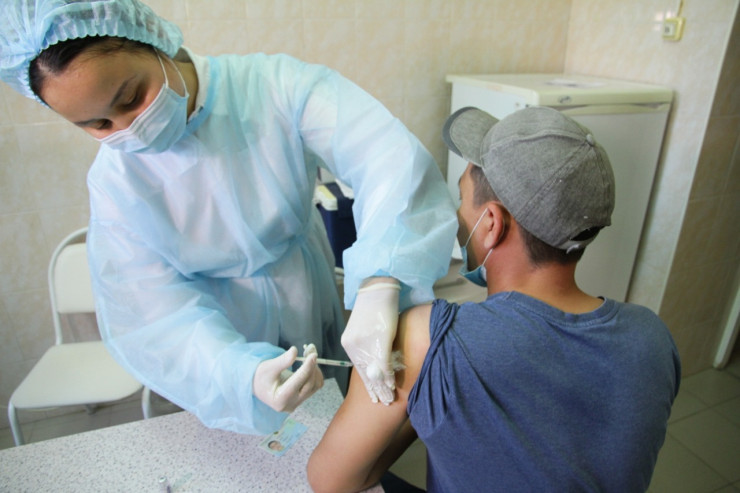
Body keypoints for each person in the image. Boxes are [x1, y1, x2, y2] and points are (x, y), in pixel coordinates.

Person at [0, 0, 457, 434]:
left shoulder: (274, 87)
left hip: (306, 289)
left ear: (151, 41)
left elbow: (387, 158)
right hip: (218, 329)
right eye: (97, 125)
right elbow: (149, 311)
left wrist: (381, 278)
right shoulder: (115, 183)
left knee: (330, 425)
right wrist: (237, 376)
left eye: (132, 97)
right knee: (256, 450)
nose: (128, 130)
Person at [308, 106, 681, 492]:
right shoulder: (652, 338)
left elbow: (329, 479)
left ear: (491, 223)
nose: (455, 214)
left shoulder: (429, 341)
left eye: (461, 198)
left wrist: (419, 390)